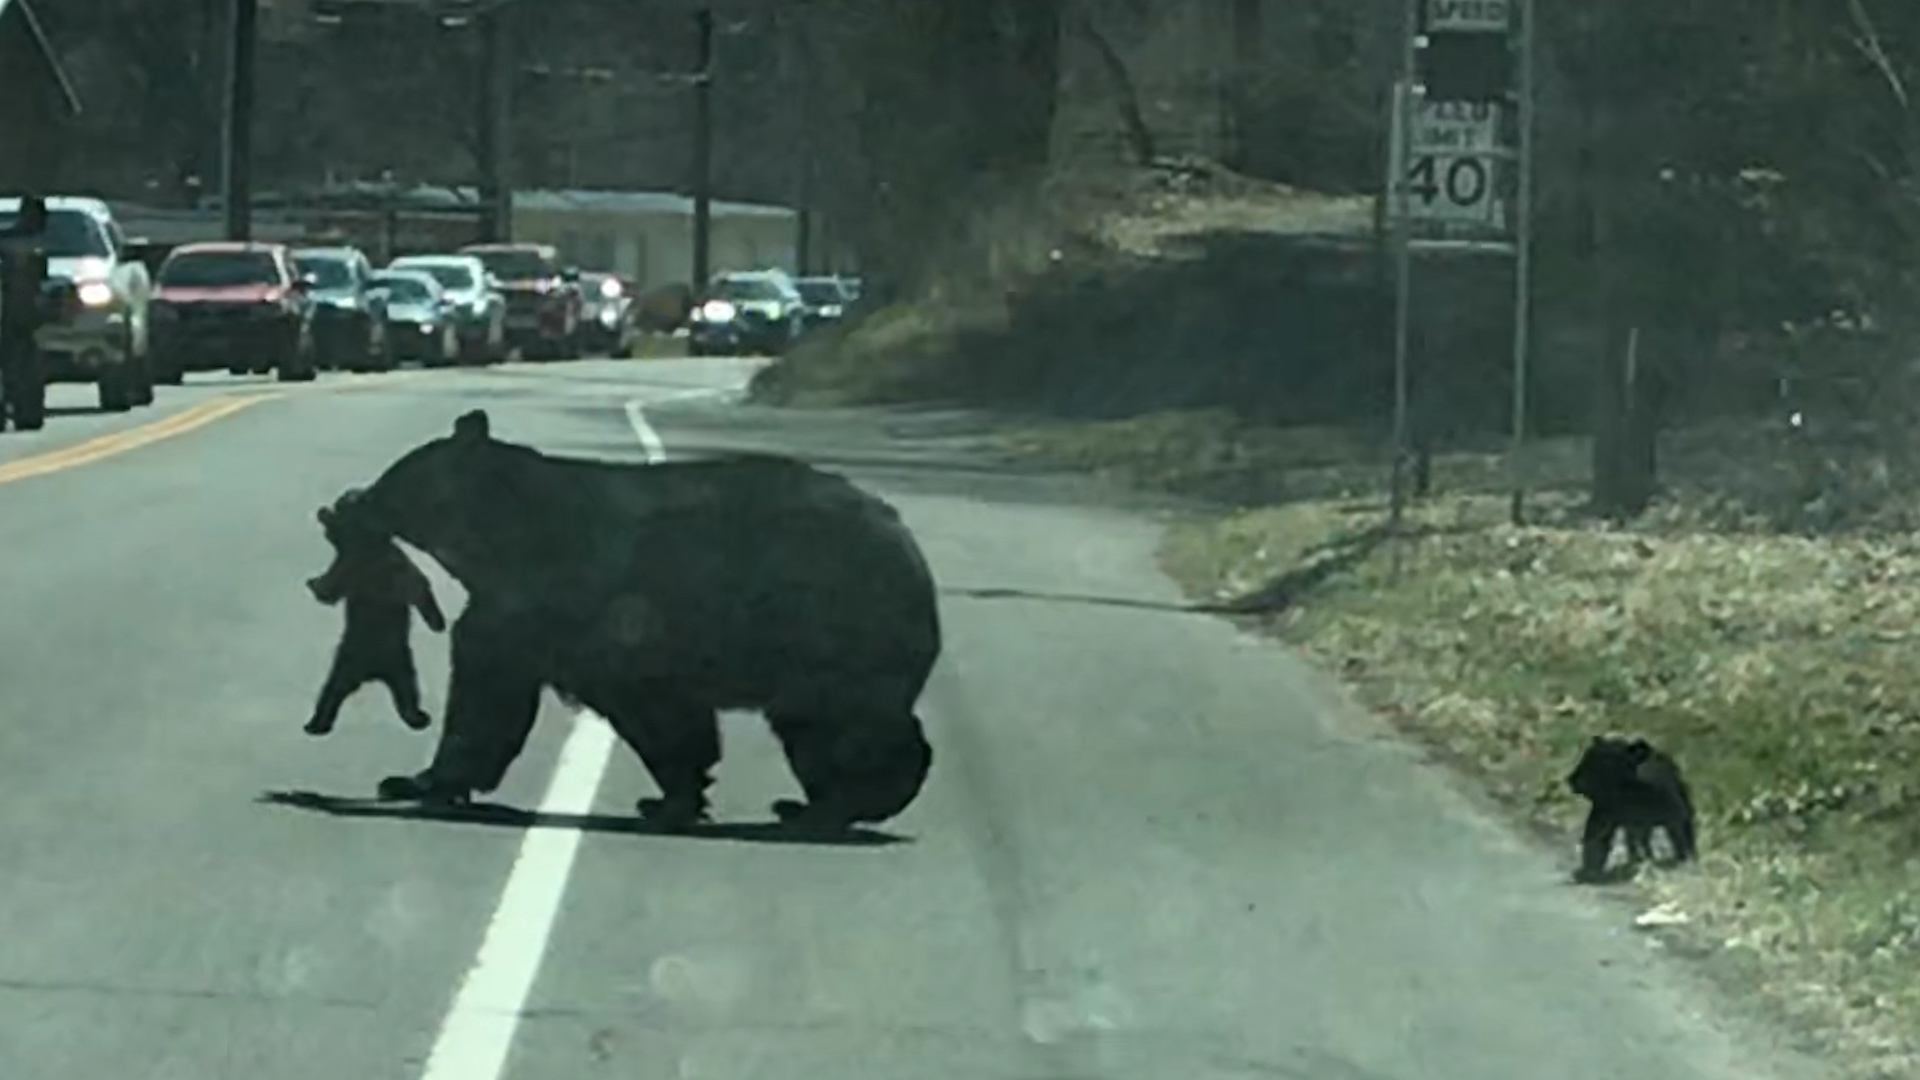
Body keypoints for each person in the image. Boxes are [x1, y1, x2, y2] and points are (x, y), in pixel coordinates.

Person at [0, 193, 51, 431]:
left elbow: (38, 282)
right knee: (24, 365)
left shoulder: (31, 246)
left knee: (25, 367)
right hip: (17, 319)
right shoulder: (20, 244)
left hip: (19, 320)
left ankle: (27, 410)